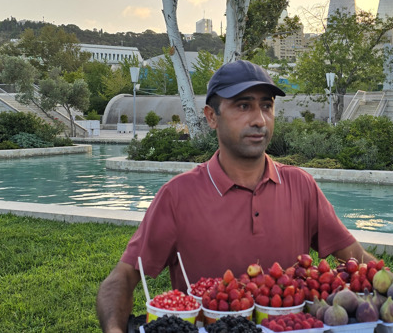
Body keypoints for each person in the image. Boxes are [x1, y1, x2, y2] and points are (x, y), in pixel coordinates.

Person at [96, 60, 375, 333]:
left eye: (266, 106)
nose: (259, 119)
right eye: (243, 106)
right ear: (211, 116)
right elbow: (121, 279)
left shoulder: (300, 186)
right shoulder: (177, 196)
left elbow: (358, 260)